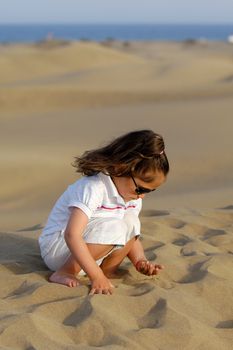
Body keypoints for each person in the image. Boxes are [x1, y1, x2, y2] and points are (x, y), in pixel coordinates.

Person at [39, 130, 169, 295]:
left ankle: (108, 271)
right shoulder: (93, 187)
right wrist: (95, 276)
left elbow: (131, 231)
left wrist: (140, 260)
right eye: (140, 188)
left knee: (130, 221)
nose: (142, 195)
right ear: (120, 168)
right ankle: (66, 272)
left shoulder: (132, 196)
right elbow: (72, 235)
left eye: (150, 191)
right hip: (59, 250)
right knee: (115, 226)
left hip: (88, 253)